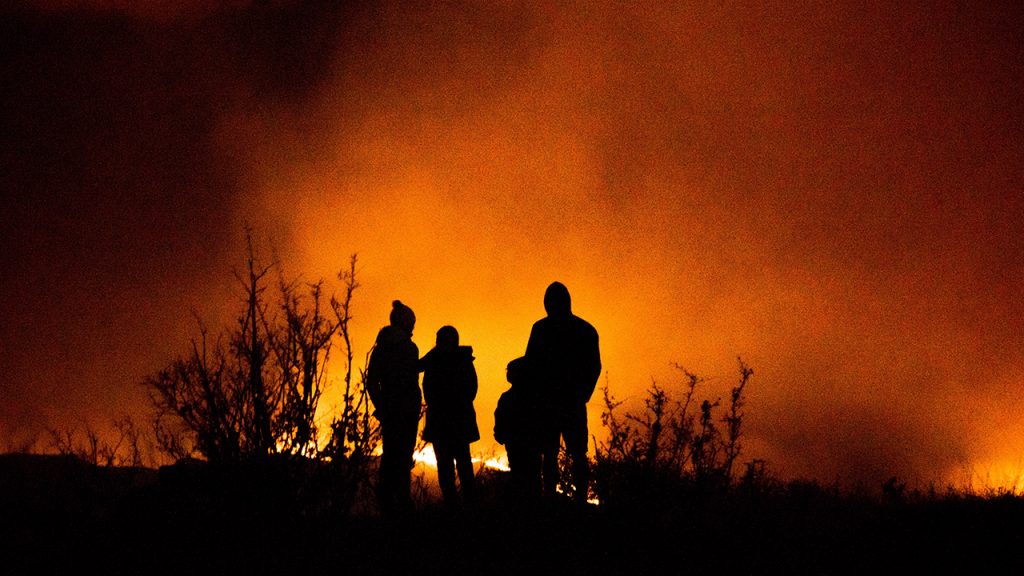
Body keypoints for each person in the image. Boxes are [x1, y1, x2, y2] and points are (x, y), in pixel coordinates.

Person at [524, 281, 601, 503]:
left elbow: (531, 364)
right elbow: (593, 367)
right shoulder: (585, 330)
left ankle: (552, 498)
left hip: (555, 402)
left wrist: (580, 395)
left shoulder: (541, 329)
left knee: (554, 453)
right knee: (571, 454)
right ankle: (575, 500)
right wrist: (581, 394)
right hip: (565, 402)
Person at [366, 300, 422, 514]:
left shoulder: (381, 348)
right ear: (406, 322)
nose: (413, 326)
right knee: (400, 459)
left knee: (391, 458)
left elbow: (372, 382)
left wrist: (381, 406)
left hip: (392, 411)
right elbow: (408, 381)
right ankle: (400, 507)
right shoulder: (408, 348)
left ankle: (389, 506)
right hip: (405, 412)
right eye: (411, 321)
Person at [419, 325, 479, 509]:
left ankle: (455, 506)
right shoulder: (463, 360)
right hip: (458, 421)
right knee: (461, 464)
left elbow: (426, 385)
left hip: (443, 422)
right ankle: (468, 505)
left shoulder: (435, 360)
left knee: (448, 466)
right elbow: (472, 389)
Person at [494, 355, 550, 502]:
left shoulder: (508, 397)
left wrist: (500, 434)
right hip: (527, 444)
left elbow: (500, 419)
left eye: (510, 370)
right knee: (532, 476)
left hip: (518, 444)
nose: (507, 373)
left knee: (521, 476)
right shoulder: (535, 397)